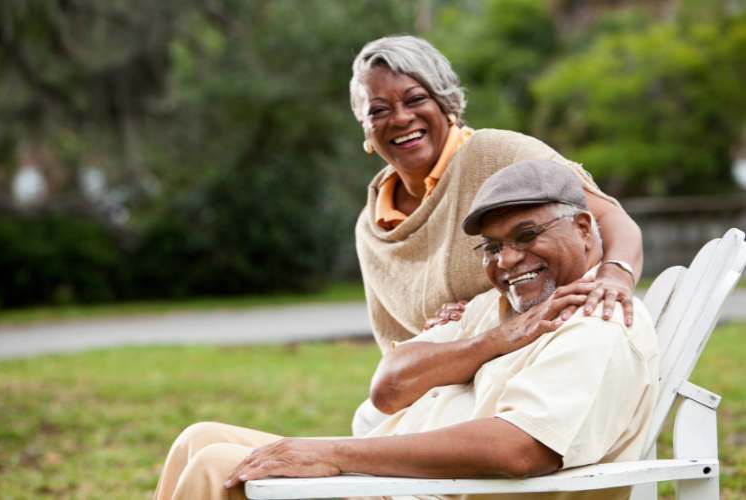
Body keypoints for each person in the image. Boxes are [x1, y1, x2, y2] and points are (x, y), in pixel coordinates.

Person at [153, 160, 659, 500]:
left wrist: (331, 455)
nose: (508, 260)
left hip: (431, 491)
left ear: (586, 229)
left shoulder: (597, 320)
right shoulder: (497, 309)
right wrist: (501, 339)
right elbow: (389, 387)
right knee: (200, 437)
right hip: (398, 478)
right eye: (492, 247)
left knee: (219, 465)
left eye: (527, 235)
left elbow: (520, 449)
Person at [350, 34, 642, 435]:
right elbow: (398, 350)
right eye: (379, 110)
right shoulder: (372, 227)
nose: (399, 118)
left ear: (446, 102)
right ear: (365, 128)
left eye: (415, 99)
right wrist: (444, 335)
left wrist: (616, 277)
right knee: (367, 418)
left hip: (519, 372)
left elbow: (608, 218)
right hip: (445, 383)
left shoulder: (496, 154)